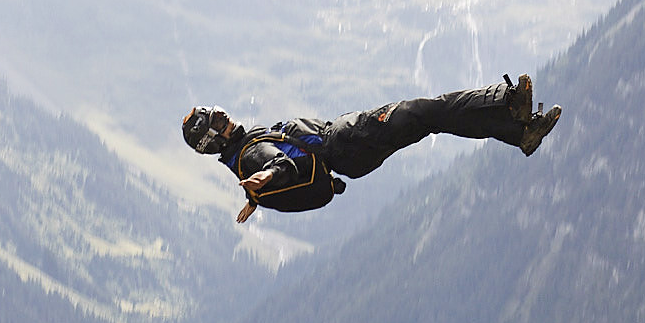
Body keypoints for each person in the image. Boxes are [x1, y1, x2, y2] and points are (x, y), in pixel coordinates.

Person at [182, 78, 561, 222]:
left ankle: (517, 130)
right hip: (346, 141)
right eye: (216, 121)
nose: (224, 116)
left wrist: (261, 187)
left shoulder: (245, 152)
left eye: (217, 113)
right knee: (426, 110)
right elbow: (284, 166)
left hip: (348, 152)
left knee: (430, 118)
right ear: (211, 140)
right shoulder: (250, 156)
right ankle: (508, 105)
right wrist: (268, 177)